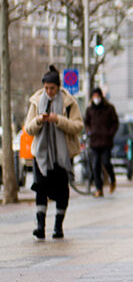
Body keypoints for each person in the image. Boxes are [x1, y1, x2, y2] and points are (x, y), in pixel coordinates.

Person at [24, 65, 83, 239]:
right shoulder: (35, 101)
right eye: (46, 88)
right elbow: (28, 128)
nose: (49, 91)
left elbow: (78, 126)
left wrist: (59, 120)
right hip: (41, 154)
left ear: (58, 87)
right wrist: (39, 120)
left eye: (52, 88)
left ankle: (58, 226)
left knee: (62, 191)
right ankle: (40, 226)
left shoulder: (69, 103)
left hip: (62, 154)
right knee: (40, 188)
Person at [84, 88, 119, 197]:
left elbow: (115, 122)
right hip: (94, 142)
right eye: (94, 96)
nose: (96, 98)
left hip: (106, 142)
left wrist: (110, 133)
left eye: (97, 96)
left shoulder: (109, 108)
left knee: (106, 162)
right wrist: (90, 131)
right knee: (95, 166)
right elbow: (86, 123)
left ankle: (112, 179)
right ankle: (99, 189)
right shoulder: (90, 110)